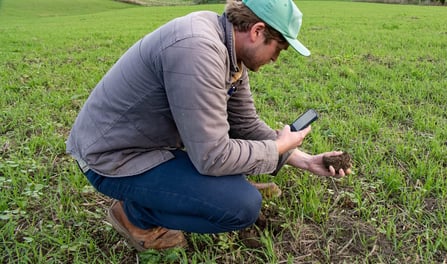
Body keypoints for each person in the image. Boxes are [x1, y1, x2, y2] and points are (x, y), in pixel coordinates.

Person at [66, 0, 351, 252]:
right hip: (113, 158)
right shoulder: (198, 50)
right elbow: (213, 156)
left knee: (232, 177)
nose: (276, 59)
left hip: (150, 145)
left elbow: (246, 124)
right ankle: (135, 216)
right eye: (279, 48)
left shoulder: (227, 48)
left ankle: (196, 191)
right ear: (257, 31)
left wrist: (306, 161)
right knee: (240, 205)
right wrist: (276, 147)